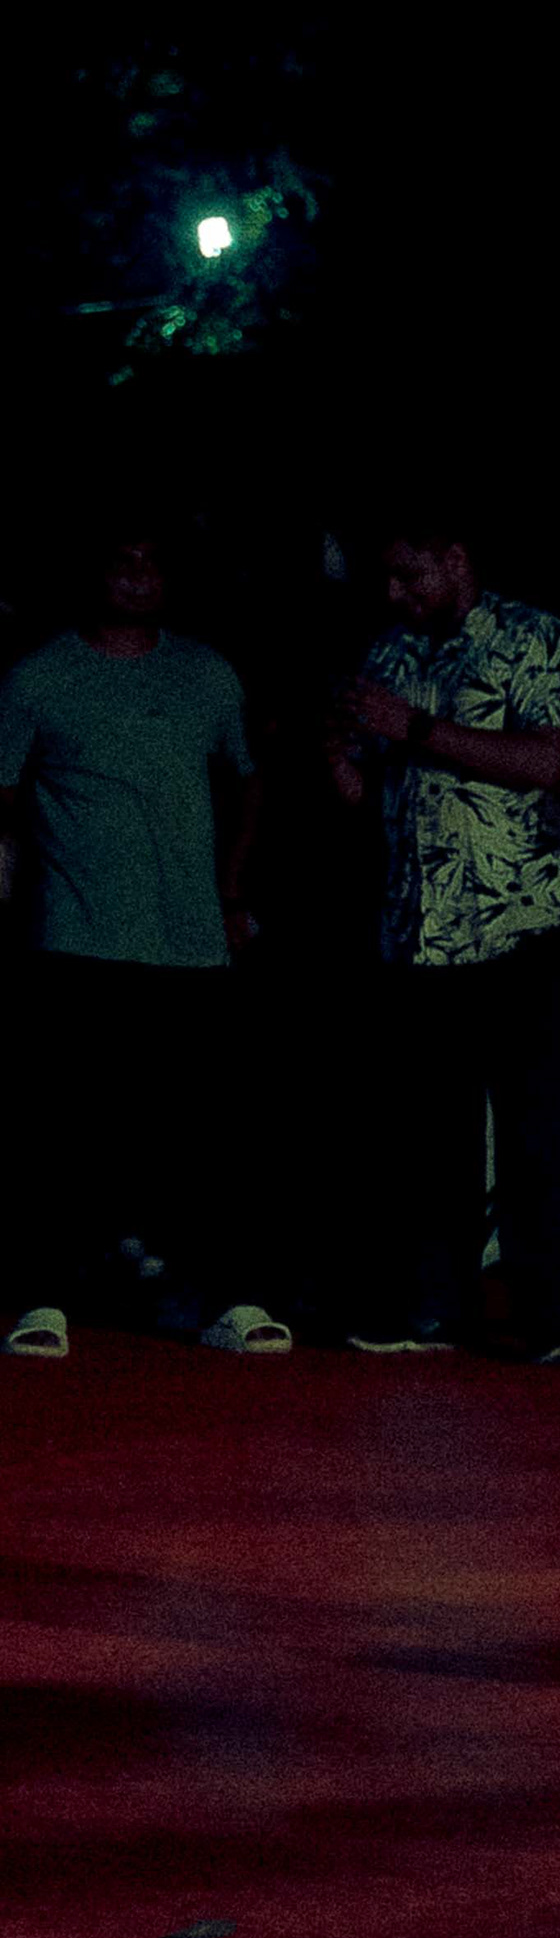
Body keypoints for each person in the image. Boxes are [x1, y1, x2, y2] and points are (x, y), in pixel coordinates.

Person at [0, 523, 290, 1363]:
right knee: (65, 1126)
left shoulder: (206, 673)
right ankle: (42, 1297)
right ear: (93, 572)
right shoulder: (38, 676)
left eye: (153, 562)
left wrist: (232, 891)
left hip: (191, 941)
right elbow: (3, 795)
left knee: (206, 1132)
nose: (138, 576)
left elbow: (250, 780)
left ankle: (229, 1298)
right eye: (122, 560)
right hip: (76, 937)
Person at [332, 508, 560, 1361]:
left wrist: (413, 727)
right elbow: (364, 791)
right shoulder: (389, 651)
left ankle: (552, 1319)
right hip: (417, 924)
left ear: (455, 557)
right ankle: (437, 1307)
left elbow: (548, 761)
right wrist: (334, 756)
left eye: (410, 575)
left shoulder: (532, 635)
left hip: (516, 916)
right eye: (386, 578)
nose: (394, 592)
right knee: (431, 1128)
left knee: (534, 1125)